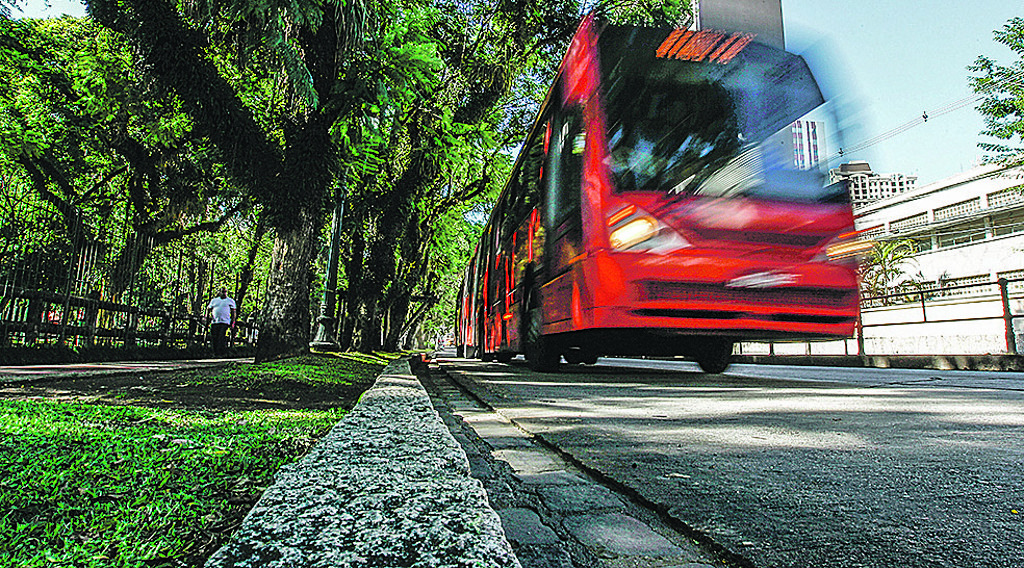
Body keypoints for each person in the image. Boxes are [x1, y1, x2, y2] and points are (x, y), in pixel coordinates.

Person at [207, 287, 237, 356]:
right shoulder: (214, 301)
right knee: (214, 337)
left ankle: (221, 353)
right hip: (215, 322)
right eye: (222, 292)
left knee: (221, 337)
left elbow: (233, 312)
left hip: (225, 322)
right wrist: (206, 318)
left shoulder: (230, 301)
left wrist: (233, 322)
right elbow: (208, 309)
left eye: (225, 292)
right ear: (219, 292)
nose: (224, 293)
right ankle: (215, 353)